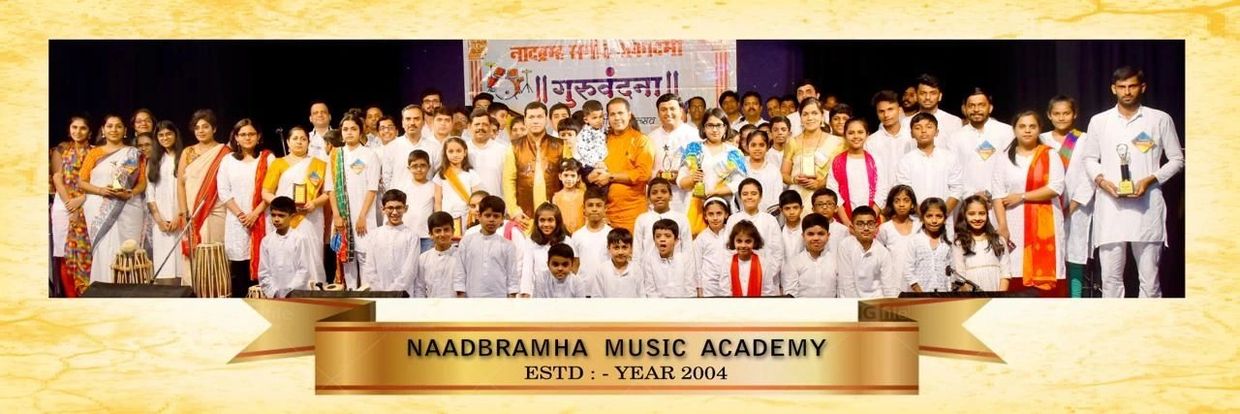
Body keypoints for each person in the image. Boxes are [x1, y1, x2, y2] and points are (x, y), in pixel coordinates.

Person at [1083, 68, 1184, 298]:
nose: (1127, 92)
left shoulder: (1159, 119)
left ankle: (1148, 329)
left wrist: (1151, 179)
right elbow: (1089, 158)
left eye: (1132, 86)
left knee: (1150, 281)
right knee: (1110, 280)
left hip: (1147, 207)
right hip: (1111, 207)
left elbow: (1177, 159)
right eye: (1121, 87)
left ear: (1143, 87)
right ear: (1113, 89)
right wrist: (1101, 180)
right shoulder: (1099, 121)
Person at [993, 111, 1066, 296]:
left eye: (1032, 126)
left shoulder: (1050, 155)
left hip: (1046, 224)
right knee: (1014, 268)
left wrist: (1022, 196)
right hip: (1013, 223)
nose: (1027, 131)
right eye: (1022, 126)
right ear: (1014, 130)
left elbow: (1056, 187)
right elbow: (997, 194)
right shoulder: (1003, 158)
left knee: (1047, 275)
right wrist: (1002, 225)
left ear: (1039, 129)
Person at [78, 114, 147, 284]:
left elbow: (142, 182)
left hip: (129, 207)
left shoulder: (134, 153)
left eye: (118, 126)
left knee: (128, 248)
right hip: (99, 208)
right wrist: (101, 190)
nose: (113, 130)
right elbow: (81, 181)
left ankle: (131, 288)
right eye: (109, 126)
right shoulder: (94, 153)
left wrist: (129, 193)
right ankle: (104, 286)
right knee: (104, 249)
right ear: (103, 130)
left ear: (125, 130)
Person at [1040, 95, 1094, 297]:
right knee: (1048, 256)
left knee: (1075, 254)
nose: (1061, 118)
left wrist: (1072, 206)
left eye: (1066, 113)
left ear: (1075, 114)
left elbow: (1089, 176)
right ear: (1049, 115)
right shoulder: (1041, 139)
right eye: (1056, 113)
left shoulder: (1085, 139)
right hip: (1047, 208)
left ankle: (1076, 299)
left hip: (1076, 208)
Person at [261, 126, 329, 283]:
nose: (299, 142)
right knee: (284, 256)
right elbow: (266, 193)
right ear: (288, 142)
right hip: (285, 218)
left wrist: (315, 203)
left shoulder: (319, 164)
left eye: (303, 139)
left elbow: (327, 193)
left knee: (312, 255)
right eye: (295, 139)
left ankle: (314, 290)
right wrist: (283, 207)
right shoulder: (278, 163)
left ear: (308, 142)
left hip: (311, 217)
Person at [217, 119, 273, 297]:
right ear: (236, 137)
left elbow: (273, 189)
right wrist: (242, 215)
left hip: (262, 219)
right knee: (239, 267)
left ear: (258, 137)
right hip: (237, 221)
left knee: (263, 264)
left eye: (251, 134)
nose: (247, 137)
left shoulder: (268, 158)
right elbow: (223, 191)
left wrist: (255, 214)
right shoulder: (227, 161)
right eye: (243, 134)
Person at [325, 114, 381, 288]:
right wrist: (336, 215)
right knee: (347, 259)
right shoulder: (335, 156)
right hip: (342, 216)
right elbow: (331, 188)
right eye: (345, 129)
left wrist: (363, 216)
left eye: (353, 129)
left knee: (366, 257)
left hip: (365, 216)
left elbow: (372, 188)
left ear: (361, 131)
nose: (349, 132)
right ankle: (350, 294)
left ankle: (366, 296)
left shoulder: (370, 155)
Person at [178, 109, 231, 286]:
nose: (201, 131)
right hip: (192, 211)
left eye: (205, 127)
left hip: (216, 209)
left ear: (214, 129)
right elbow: (180, 184)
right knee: (194, 253)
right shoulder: (188, 152)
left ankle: (216, 290)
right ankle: (194, 290)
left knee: (214, 250)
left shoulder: (225, 152)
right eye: (197, 127)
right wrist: (183, 210)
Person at [679, 108, 747, 235]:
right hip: (694, 209)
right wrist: (692, 178)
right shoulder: (693, 148)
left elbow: (740, 183)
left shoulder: (734, 153)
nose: (714, 130)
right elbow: (681, 181)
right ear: (703, 128)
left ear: (726, 127)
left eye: (719, 125)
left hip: (724, 210)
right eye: (710, 125)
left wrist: (715, 192)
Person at [592, 98, 654, 231]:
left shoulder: (640, 140)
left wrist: (610, 177)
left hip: (632, 213)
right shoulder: (602, 140)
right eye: (612, 114)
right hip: (604, 213)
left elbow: (643, 174)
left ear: (629, 115)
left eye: (620, 113)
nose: (617, 118)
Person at [51, 115, 94, 296]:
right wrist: (72, 205)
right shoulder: (61, 150)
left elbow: (99, 181)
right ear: (69, 130)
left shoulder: (96, 152)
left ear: (90, 132)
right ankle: (71, 296)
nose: (78, 131)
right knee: (65, 253)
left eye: (82, 128)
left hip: (89, 202)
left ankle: (88, 294)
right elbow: (57, 179)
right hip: (65, 205)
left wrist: (82, 200)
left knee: (88, 252)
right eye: (74, 127)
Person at [502, 102, 565, 224]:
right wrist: (514, 211)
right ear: (525, 120)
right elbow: (509, 180)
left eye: (539, 117)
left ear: (546, 119)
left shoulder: (561, 145)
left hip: (555, 214)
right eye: (531, 117)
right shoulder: (514, 147)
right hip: (524, 215)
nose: (535, 121)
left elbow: (570, 180)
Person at [950, 88, 1014, 201]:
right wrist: (971, 194)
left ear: (990, 108)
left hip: (1000, 199)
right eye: (971, 106)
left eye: (981, 105)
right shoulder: (955, 137)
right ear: (964, 109)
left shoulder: (1007, 132)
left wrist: (993, 194)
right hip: (967, 201)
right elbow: (953, 173)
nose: (976, 109)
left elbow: (1011, 168)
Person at [896, 113, 963, 217]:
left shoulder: (949, 158)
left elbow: (957, 189)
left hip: (944, 219)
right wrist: (924, 216)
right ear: (912, 134)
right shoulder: (906, 160)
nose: (923, 131)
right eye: (918, 128)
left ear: (937, 132)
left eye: (929, 127)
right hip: (916, 219)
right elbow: (906, 191)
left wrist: (941, 214)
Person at [782, 97, 844, 209]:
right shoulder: (792, 142)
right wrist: (794, 179)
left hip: (826, 201)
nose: (810, 118)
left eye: (814, 113)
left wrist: (820, 183)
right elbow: (784, 174)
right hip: (798, 201)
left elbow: (842, 174)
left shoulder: (838, 143)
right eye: (805, 114)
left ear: (822, 117)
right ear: (800, 118)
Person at [828, 118, 890, 227]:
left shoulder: (875, 160)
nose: (856, 136)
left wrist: (869, 220)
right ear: (845, 135)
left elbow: (882, 191)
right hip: (844, 222)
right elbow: (833, 192)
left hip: (871, 221)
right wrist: (847, 223)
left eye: (860, 132)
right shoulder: (837, 161)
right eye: (851, 133)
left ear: (867, 135)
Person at [456, 195, 521, 298]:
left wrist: (511, 299)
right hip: (472, 298)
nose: (491, 220)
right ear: (479, 216)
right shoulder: (467, 241)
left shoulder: (508, 246)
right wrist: (461, 296)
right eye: (487, 215)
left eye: (496, 216)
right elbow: (460, 272)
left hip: (499, 299)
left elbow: (512, 277)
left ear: (502, 219)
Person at [142, 121, 184, 282]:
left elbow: (187, 190)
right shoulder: (154, 160)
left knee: (182, 267)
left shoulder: (184, 156)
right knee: (164, 269)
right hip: (160, 221)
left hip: (180, 218)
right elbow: (150, 193)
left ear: (175, 135)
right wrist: (158, 220)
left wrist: (178, 216)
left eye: (168, 134)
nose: (165, 138)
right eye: (161, 135)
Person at [648, 93, 700, 211]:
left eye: (672, 109)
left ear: (681, 111)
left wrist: (681, 177)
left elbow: (701, 168)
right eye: (663, 109)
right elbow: (646, 169)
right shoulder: (651, 138)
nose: (668, 113)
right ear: (658, 112)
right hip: (658, 199)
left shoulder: (694, 135)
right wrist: (656, 176)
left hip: (687, 197)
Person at [361, 189, 420, 294]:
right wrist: (380, 291)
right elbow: (369, 267)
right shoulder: (374, 235)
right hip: (378, 293)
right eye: (390, 208)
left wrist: (393, 292)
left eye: (398, 208)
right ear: (383, 209)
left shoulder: (412, 236)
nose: (394, 212)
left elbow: (410, 270)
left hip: (403, 294)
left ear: (405, 208)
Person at [837, 206, 900, 297]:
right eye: (860, 224)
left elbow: (888, 285)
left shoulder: (883, 252)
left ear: (876, 226)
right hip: (851, 302)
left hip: (876, 302)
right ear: (852, 227)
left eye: (870, 224)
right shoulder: (845, 246)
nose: (866, 228)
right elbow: (846, 283)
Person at [257, 197, 314, 298]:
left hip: (296, 295)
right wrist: (274, 293)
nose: (276, 219)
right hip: (274, 296)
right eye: (273, 215)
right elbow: (264, 272)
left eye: (281, 216)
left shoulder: (300, 239)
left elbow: (304, 271)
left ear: (292, 216)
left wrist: (288, 292)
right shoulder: (266, 241)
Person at [707, 220, 781, 297]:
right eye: (739, 241)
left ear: (755, 242)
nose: (743, 245)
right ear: (733, 241)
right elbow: (725, 291)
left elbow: (767, 291)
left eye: (748, 241)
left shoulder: (763, 263)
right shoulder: (727, 263)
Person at [724, 178, 786, 270]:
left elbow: (778, 251)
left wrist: (766, 275)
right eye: (745, 194)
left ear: (760, 197)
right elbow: (728, 249)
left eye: (754, 193)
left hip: (766, 275)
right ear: (740, 197)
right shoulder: (733, 219)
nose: (749, 197)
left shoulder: (770, 220)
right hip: (738, 274)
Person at [952, 196, 1011, 292]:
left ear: (987, 215)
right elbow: (960, 275)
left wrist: (1000, 296)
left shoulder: (998, 240)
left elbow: (1005, 272)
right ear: (964, 215)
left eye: (982, 213)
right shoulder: (959, 243)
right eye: (971, 214)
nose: (977, 218)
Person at [632, 177, 693, 260]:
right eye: (654, 193)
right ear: (648, 198)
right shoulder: (642, 220)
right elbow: (637, 252)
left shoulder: (681, 219)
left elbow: (688, 250)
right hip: (648, 270)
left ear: (671, 196)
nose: (659, 196)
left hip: (675, 269)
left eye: (664, 192)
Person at [382, 105, 441, 190]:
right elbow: (387, 179)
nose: (412, 123)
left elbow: (439, 178)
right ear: (402, 123)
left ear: (424, 122)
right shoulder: (391, 147)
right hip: (399, 200)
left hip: (426, 200)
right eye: (408, 119)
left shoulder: (435, 147)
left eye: (416, 119)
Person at [519, 202, 571, 297]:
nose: (546, 224)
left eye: (550, 220)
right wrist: (525, 291)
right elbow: (527, 267)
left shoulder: (567, 241)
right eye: (542, 220)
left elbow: (571, 268)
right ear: (537, 222)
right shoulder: (531, 240)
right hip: (539, 291)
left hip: (562, 291)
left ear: (557, 221)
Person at [388, 150, 435, 252]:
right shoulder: (401, 186)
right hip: (405, 234)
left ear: (429, 167)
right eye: (415, 166)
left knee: (424, 266)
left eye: (423, 165)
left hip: (426, 236)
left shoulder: (434, 187)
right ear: (409, 168)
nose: (419, 169)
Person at [414, 211, 467, 298]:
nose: (442, 234)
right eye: (438, 231)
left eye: (446, 230)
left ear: (453, 231)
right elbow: (420, 287)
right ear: (431, 234)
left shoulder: (461, 256)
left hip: (455, 307)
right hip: (431, 307)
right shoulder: (423, 258)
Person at [784, 213, 838, 297]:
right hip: (802, 309)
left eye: (821, 234)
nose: (816, 238)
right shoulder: (794, 263)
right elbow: (790, 294)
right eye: (810, 234)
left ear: (828, 236)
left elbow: (841, 291)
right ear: (803, 236)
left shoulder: (836, 261)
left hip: (831, 309)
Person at [641, 219, 698, 298]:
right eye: (658, 236)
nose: (662, 239)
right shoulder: (649, 261)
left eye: (667, 236)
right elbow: (650, 291)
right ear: (654, 240)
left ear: (676, 240)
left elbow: (690, 289)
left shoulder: (684, 259)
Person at [905, 198, 952, 293]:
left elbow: (950, 271)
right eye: (929, 216)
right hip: (920, 296)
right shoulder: (915, 241)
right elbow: (908, 271)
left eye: (939, 216)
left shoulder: (947, 242)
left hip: (944, 295)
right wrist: (921, 294)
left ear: (945, 219)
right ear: (922, 218)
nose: (934, 220)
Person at [867, 90, 915, 181]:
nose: (886, 115)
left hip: (910, 191)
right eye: (881, 111)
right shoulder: (871, 142)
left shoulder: (911, 137)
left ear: (900, 110)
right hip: (882, 193)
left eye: (890, 109)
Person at [876, 185, 921, 281]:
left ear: (912, 204)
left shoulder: (919, 226)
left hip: (917, 282)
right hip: (893, 280)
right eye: (897, 201)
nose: (901, 204)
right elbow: (878, 256)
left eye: (906, 200)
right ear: (891, 204)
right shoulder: (885, 228)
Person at [433, 137, 478, 233]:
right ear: (445, 153)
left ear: (465, 152)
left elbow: (476, 197)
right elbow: (438, 201)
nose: (455, 154)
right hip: (447, 216)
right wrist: (439, 218)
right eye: (451, 151)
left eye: (458, 151)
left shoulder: (471, 173)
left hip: (467, 216)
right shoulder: (441, 174)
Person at [903, 74, 963, 141]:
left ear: (940, 96)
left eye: (933, 93)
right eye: (923, 93)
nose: (927, 97)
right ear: (916, 96)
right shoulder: (906, 123)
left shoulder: (953, 122)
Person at [569, 187, 613, 280]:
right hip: (584, 288)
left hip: (606, 287)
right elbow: (575, 265)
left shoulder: (611, 234)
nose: (594, 209)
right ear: (584, 209)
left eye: (598, 205)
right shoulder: (577, 236)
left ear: (605, 208)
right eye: (590, 205)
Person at [466, 109, 509, 199]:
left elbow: (509, 181)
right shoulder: (462, 149)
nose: (480, 127)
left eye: (485, 124)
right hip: (468, 206)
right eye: (477, 124)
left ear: (490, 127)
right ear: (469, 127)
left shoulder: (502, 150)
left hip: (496, 205)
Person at [693, 197, 732, 296]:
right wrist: (699, 288)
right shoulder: (701, 238)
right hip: (709, 286)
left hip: (730, 282)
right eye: (711, 214)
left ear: (726, 214)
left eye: (719, 213)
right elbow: (697, 265)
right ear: (705, 216)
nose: (715, 218)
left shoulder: (732, 234)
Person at [590, 228, 643, 298]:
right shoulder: (602, 270)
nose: (620, 252)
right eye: (616, 248)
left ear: (631, 249)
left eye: (624, 247)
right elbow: (596, 296)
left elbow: (641, 294)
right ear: (608, 248)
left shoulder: (636, 269)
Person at [744, 130, 785, 213]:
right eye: (753, 145)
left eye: (761, 145)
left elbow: (777, 199)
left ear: (767, 147)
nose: (757, 149)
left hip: (767, 216)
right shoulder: (740, 166)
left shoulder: (773, 171)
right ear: (747, 147)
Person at [808, 188, 851, 253]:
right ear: (813, 209)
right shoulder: (808, 229)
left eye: (829, 204)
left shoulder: (843, 230)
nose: (825, 207)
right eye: (820, 204)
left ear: (836, 208)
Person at [575, 100, 609, 179]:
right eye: (594, 118)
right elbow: (584, 152)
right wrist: (596, 163)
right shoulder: (584, 134)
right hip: (590, 167)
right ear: (586, 120)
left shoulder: (603, 129)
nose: (599, 120)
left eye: (601, 117)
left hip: (604, 164)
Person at [552, 158, 586, 233]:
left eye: (573, 176)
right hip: (563, 234)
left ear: (578, 178)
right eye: (566, 175)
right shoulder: (556, 197)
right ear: (560, 176)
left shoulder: (583, 195)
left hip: (581, 233)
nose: (569, 179)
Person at [777, 190, 805, 267]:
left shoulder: (808, 230)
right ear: (781, 210)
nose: (792, 212)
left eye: (795, 208)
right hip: (784, 276)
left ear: (801, 208)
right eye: (787, 208)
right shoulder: (778, 232)